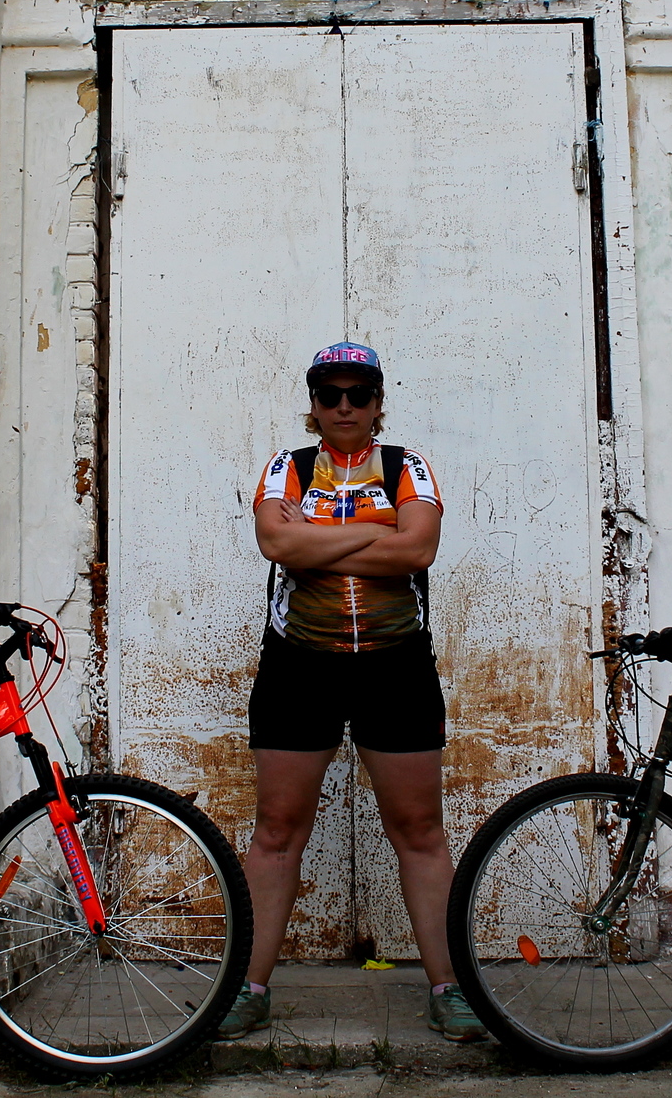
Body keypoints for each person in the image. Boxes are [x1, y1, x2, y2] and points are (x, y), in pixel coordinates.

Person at [218, 342, 486, 1043]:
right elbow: (277, 546)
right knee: (277, 831)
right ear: (312, 403)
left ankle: (449, 987)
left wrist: (318, 535)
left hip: (393, 663)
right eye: (329, 393)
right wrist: (370, 531)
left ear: (377, 402)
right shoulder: (288, 466)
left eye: (357, 394)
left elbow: (417, 549)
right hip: (299, 662)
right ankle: (246, 988)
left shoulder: (406, 465)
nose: (343, 406)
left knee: (421, 830)